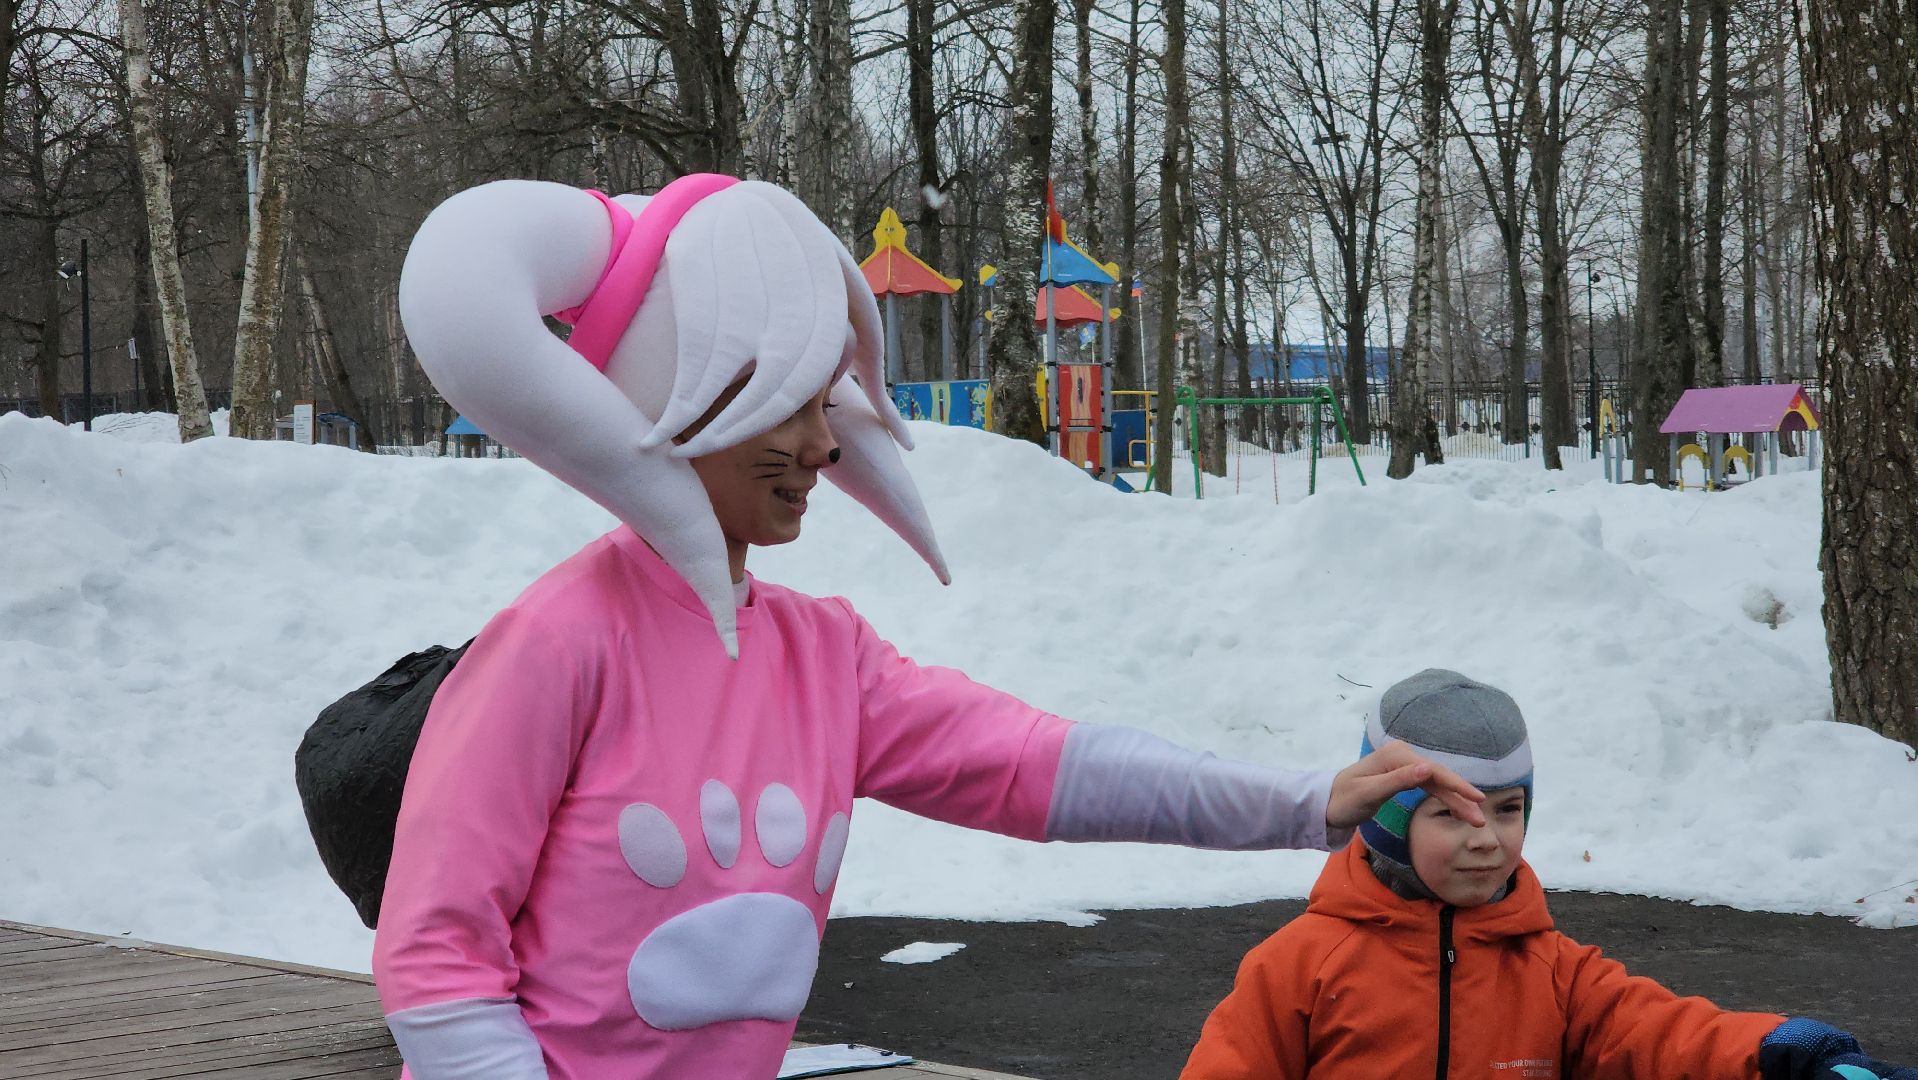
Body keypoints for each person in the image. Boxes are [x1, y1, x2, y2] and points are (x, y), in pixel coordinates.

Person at [371, 176, 1488, 1080]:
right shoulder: (559, 642)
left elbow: (1044, 769)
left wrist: (1306, 803)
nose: (824, 447)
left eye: (828, 405)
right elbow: (435, 958)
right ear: (687, 393)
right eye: (796, 403)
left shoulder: (821, 658)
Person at [1179, 669, 1917, 1080]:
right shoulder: (1298, 966)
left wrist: (1785, 1054)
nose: (1488, 840)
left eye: (1507, 810)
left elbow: (1666, 1036)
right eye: (1449, 815)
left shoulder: (1552, 971)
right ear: (1386, 820)